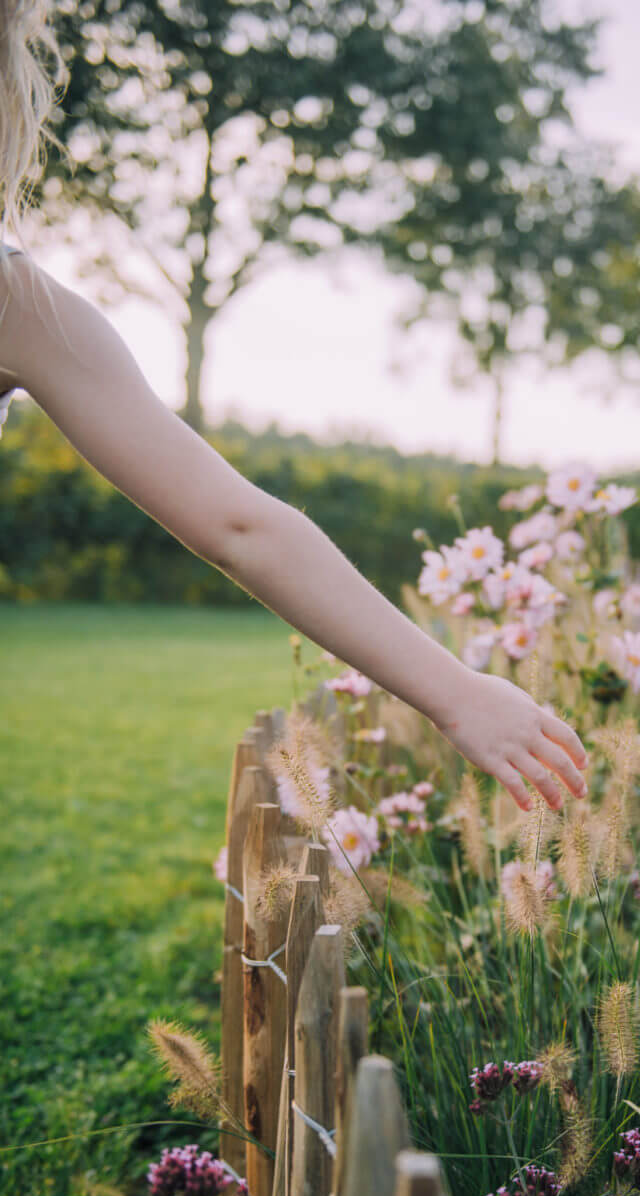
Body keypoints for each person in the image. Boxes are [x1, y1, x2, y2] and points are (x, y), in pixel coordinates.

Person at [0, 0, 588, 813]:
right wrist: (458, 692)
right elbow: (241, 528)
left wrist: (459, 691)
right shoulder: (18, 302)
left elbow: (249, 532)